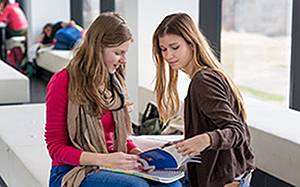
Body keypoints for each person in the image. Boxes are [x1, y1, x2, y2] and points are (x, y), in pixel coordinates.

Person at [45, 12, 182, 187]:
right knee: (136, 186)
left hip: (114, 165)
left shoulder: (114, 83)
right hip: (72, 170)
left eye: (125, 53)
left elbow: (119, 137)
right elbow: (56, 148)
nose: (123, 60)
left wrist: (138, 154)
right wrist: (105, 160)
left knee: (173, 185)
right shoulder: (63, 81)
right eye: (118, 53)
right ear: (96, 48)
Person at [152, 13, 255, 187]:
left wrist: (205, 139)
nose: (168, 55)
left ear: (192, 44)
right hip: (234, 175)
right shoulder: (206, 76)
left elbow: (238, 131)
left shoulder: (203, 81)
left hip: (227, 180)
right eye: (163, 49)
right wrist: (188, 144)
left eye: (175, 47)